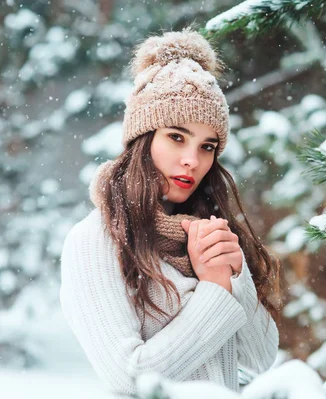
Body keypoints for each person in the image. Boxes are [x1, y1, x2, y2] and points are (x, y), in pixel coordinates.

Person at [59, 28, 281, 396]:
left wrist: (234, 274)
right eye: (176, 137)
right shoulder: (95, 239)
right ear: (142, 139)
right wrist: (214, 289)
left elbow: (259, 358)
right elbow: (131, 377)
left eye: (207, 146)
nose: (192, 160)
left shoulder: (208, 232)